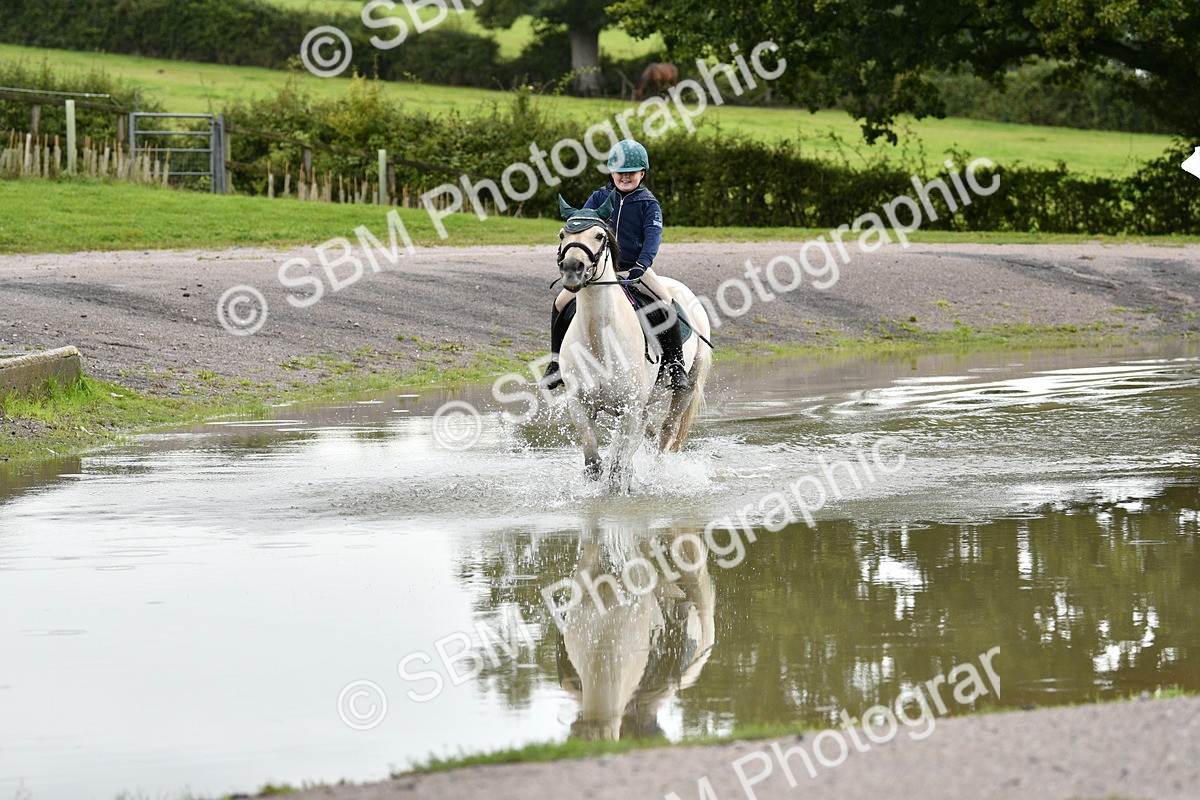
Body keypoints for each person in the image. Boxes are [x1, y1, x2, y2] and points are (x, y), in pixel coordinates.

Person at [542, 139, 691, 392]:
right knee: (559, 303)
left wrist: (642, 266)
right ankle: (556, 364)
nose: (625, 177)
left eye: (631, 173)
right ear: (612, 172)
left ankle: (674, 364)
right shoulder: (599, 197)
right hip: (600, 270)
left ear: (642, 174)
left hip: (634, 269)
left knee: (666, 303)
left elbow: (653, 238)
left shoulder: (648, 204)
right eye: (620, 172)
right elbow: (583, 225)